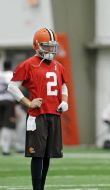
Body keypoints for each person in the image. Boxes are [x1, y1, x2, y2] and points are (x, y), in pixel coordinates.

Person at [7, 28, 68, 190]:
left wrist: (65, 101)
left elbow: (63, 86)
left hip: (54, 114)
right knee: (37, 154)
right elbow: (12, 87)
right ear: (37, 45)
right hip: (37, 115)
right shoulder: (28, 64)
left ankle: (42, 187)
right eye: (47, 46)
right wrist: (28, 102)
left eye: (52, 46)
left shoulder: (58, 66)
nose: (50, 49)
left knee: (48, 155)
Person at [0, 60, 16, 155]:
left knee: (2, 125)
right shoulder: (10, 74)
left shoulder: (0, 74)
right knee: (7, 125)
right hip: (8, 101)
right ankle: (5, 149)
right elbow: (13, 88)